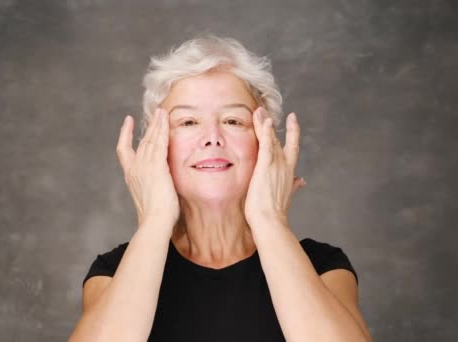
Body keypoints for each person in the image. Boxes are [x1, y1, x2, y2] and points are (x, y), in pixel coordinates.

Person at [69, 34, 372, 341]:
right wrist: (156, 217)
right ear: (155, 147)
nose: (212, 137)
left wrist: (269, 217)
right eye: (187, 122)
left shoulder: (322, 266)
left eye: (232, 120)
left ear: (265, 142)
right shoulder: (114, 271)